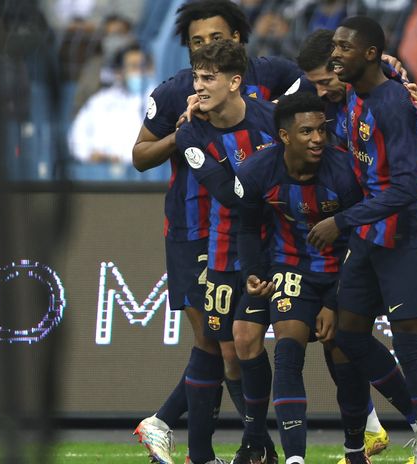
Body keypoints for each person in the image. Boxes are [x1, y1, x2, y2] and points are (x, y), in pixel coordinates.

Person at [131, 2, 306, 463]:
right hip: (195, 229)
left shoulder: (268, 81)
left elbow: (316, 90)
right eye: (196, 43)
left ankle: (180, 429)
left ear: (238, 38)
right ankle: (207, 447)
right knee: (215, 341)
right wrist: (183, 130)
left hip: (256, 229)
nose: (205, 49)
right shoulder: (176, 96)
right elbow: (140, 155)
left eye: (215, 39)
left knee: (240, 340)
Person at [307, 17, 417, 464]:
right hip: (370, 230)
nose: (335, 55)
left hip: (409, 231)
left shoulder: (393, 106)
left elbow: (404, 188)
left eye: (345, 48)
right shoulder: (352, 96)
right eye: (334, 47)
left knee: (410, 342)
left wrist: (341, 222)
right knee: (349, 334)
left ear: (370, 54)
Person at [235, 91, 366, 464]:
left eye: (321, 129)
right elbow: (247, 229)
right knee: (288, 352)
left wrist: (333, 302)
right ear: (284, 137)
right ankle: (295, 458)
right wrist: (254, 274)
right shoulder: (256, 171)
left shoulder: (344, 173)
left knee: (344, 358)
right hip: (290, 268)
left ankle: (356, 449)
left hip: (342, 272)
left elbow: (361, 240)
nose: (318, 139)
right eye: (307, 131)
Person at [175, 40, 278, 464]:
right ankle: (261, 446)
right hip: (223, 246)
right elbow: (226, 191)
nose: (199, 87)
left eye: (209, 78)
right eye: (197, 77)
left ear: (235, 82)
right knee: (228, 352)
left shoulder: (269, 119)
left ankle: (259, 445)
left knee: (253, 338)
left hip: (275, 243)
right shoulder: (189, 132)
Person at [69, 43, 154, 164]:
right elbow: (76, 137)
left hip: (142, 175)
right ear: (119, 72)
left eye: (143, 66)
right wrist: (90, 154)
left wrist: (122, 158)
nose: (139, 71)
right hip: (100, 174)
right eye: (133, 66)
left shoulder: (157, 98)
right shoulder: (100, 101)